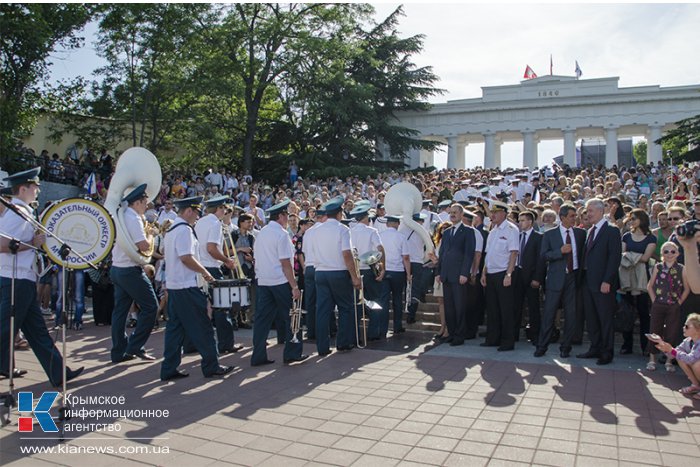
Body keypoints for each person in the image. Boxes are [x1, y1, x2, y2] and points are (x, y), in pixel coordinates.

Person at [0, 167, 83, 385]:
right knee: (5, 331)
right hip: (14, 279)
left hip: (22, 279)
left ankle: (58, 373)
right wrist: (33, 244)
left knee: (37, 332)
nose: (38, 189)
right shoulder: (18, 212)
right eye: (34, 186)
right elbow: (2, 244)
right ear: (23, 188)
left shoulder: (22, 211)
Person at [160, 196, 234, 380]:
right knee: (203, 327)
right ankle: (211, 365)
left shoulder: (172, 230)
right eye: (196, 212)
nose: (198, 216)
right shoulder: (184, 230)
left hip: (175, 287)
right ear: (188, 211)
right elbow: (186, 257)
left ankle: (169, 368)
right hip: (187, 286)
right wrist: (204, 272)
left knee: (174, 330)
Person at [251, 199, 307, 366]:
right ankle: (292, 353)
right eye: (286, 215)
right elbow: (285, 264)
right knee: (292, 317)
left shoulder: (262, 232)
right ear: (281, 216)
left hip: (264, 281)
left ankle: (258, 355)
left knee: (262, 320)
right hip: (280, 281)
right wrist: (294, 286)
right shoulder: (281, 234)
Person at [109, 183, 159, 363]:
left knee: (120, 312)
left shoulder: (122, 214)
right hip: (130, 270)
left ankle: (118, 351)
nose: (147, 205)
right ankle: (135, 346)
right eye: (145, 202)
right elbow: (144, 245)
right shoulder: (134, 218)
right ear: (138, 202)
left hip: (117, 268)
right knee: (151, 307)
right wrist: (152, 234)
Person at [311, 197, 361, 354]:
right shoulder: (342, 229)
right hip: (338, 272)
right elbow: (347, 254)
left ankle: (322, 347)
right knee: (345, 308)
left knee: (322, 312)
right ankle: (343, 343)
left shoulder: (316, 230)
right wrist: (354, 276)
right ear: (339, 214)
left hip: (320, 272)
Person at [534, 204, 585, 358]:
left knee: (571, 314)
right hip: (555, 278)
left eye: (575, 216)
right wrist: (559, 252)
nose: (574, 219)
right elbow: (544, 256)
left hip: (573, 278)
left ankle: (566, 347)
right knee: (549, 313)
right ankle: (542, 346)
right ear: (562, 218)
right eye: (571, 216)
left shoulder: (580, 234)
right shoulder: (550, 235)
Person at [195, 195, 243, 354]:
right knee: (222, 308)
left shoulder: (200, 222)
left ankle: (193, 342)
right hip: (212, 268)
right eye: (224, 208)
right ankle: (226, 344)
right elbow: (212, 249)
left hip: (199, 267)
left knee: (201, 307)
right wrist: (226, 261)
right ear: (219, 209)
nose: (225, 211)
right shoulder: (215, 223)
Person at [578, 198, 622, 365]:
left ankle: (606, 351)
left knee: (605, 318)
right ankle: (594, 347)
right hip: (587, 282)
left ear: (600, 211)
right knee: (591, 318)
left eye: (590, 211)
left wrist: (607, 280)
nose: (587, 214)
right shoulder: (590, 231)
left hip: (603, 283)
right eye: (587, 211)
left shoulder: (611, 230)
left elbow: (614, 258)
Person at [481, 200, 519, 351]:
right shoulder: (493, 231)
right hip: (491, 273)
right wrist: (484, 272)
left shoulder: (511, 229)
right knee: (492, 309)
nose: (492, 215)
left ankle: (507, 341)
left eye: (495, 212)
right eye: (492, 212)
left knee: (506, 309)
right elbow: (488, 254)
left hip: (504, 273)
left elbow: (514, 253)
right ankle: (493, 338)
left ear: (504, 213)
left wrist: (509, 274)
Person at [435, 204, 476, 346]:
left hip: (459, 275)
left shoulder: (468, 231)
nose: (452, 215)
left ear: (461, 214)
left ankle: (459, 335)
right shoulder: (446, 232)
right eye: (451, 212)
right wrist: (438, 272)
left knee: (459, 307)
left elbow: (469, 254)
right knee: (449, 308)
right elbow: (442, 254)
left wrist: (465, 273)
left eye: (455, 213)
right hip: (446, 275)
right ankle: (451, 333)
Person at [646, 241, 689, 371]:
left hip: (673, 305)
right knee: (654, 330)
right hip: (659, 304)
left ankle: (669, 361)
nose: (669, 254)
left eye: (672, 251)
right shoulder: (658, 267)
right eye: (666, 251)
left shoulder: (682, 268)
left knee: (672, 332)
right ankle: (652, 359)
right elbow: (650, 286)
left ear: (677, 253)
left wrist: (679, 303)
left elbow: (686, 288)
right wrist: (655, 301)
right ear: (662, 254)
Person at [619, 209, 656, 355]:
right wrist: (634, 257)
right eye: (630, 218)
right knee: (626, 312)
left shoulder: (651, 238)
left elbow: (646, 258)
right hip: (626, 277)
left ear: (642, 219)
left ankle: (645, 346)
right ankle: (626, 344)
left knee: (643, 313)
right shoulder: (627, 235)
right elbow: (622, 254)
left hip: (642, 279)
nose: (631, 220)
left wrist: (630, 257)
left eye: (634, 218)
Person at [349, 204, 386, 342]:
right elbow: (380, 249)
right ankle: (373, 333)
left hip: (354, 270)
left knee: (356, 303)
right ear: (366, 218)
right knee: (374, 301)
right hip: (369, 270)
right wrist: (383, 268)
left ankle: (354, 335)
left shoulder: (350, 231)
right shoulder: (371, 231)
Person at [653, 313, 700, 400]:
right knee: (680, 357)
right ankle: (695, 385)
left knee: (697, 364)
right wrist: (664, 347)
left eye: (687, 326)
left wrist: (671, 350)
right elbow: (674, 354)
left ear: (697, 330)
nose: (683, 328)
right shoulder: (687, 341)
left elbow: (690, 359)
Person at [378, 214, 411, 337]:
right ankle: (397, 326)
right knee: (397, 300)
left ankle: (383, 328)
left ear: (387, 224)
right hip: (398, 271)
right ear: (397, 224)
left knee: (384, 301)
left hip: (384, 270)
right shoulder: (401, 237)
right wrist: (408, 274)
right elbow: (406, 257)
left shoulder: (380, 236)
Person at [512, 210, 542, 343]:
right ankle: (514, 334)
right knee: (516, 306)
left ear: (530, 222)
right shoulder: (517, 236)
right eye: (519, 220)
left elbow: (541, 260)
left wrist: (537, 278)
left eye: (523, 220)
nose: (520, 223)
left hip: (531, 276)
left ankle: (535, 335)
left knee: (533, 306)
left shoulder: (539, 237)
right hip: (517, 275)